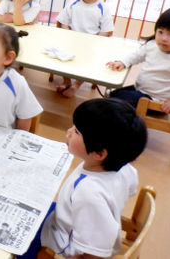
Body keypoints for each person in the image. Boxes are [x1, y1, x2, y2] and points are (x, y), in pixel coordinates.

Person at [19, 98, 147, 259]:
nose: (69, 132)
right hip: (70, 220)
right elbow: (128, 190)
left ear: (99, 153)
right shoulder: (125, 168)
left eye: (77, 132)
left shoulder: (88, 194)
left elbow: (93, 254)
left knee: (18, 246)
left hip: (63, 243)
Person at [107, 6, 170, 112]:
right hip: (140, 90)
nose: (164, 38)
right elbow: (137, 55)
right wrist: (123, 62)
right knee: (114, 94)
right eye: (160, 32)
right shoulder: (152, 45)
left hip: (158, 102)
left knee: (118, 101)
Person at [56, 0, 114, 98]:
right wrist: (67, 34)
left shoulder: (103, 8)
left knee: (84, 63)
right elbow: (63, 21)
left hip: (90, 45)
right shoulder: (73, 3)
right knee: (62, 57)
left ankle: (76, 85)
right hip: (71, 41)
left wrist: (92, 43)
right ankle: (66, 82)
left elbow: (106, 31)